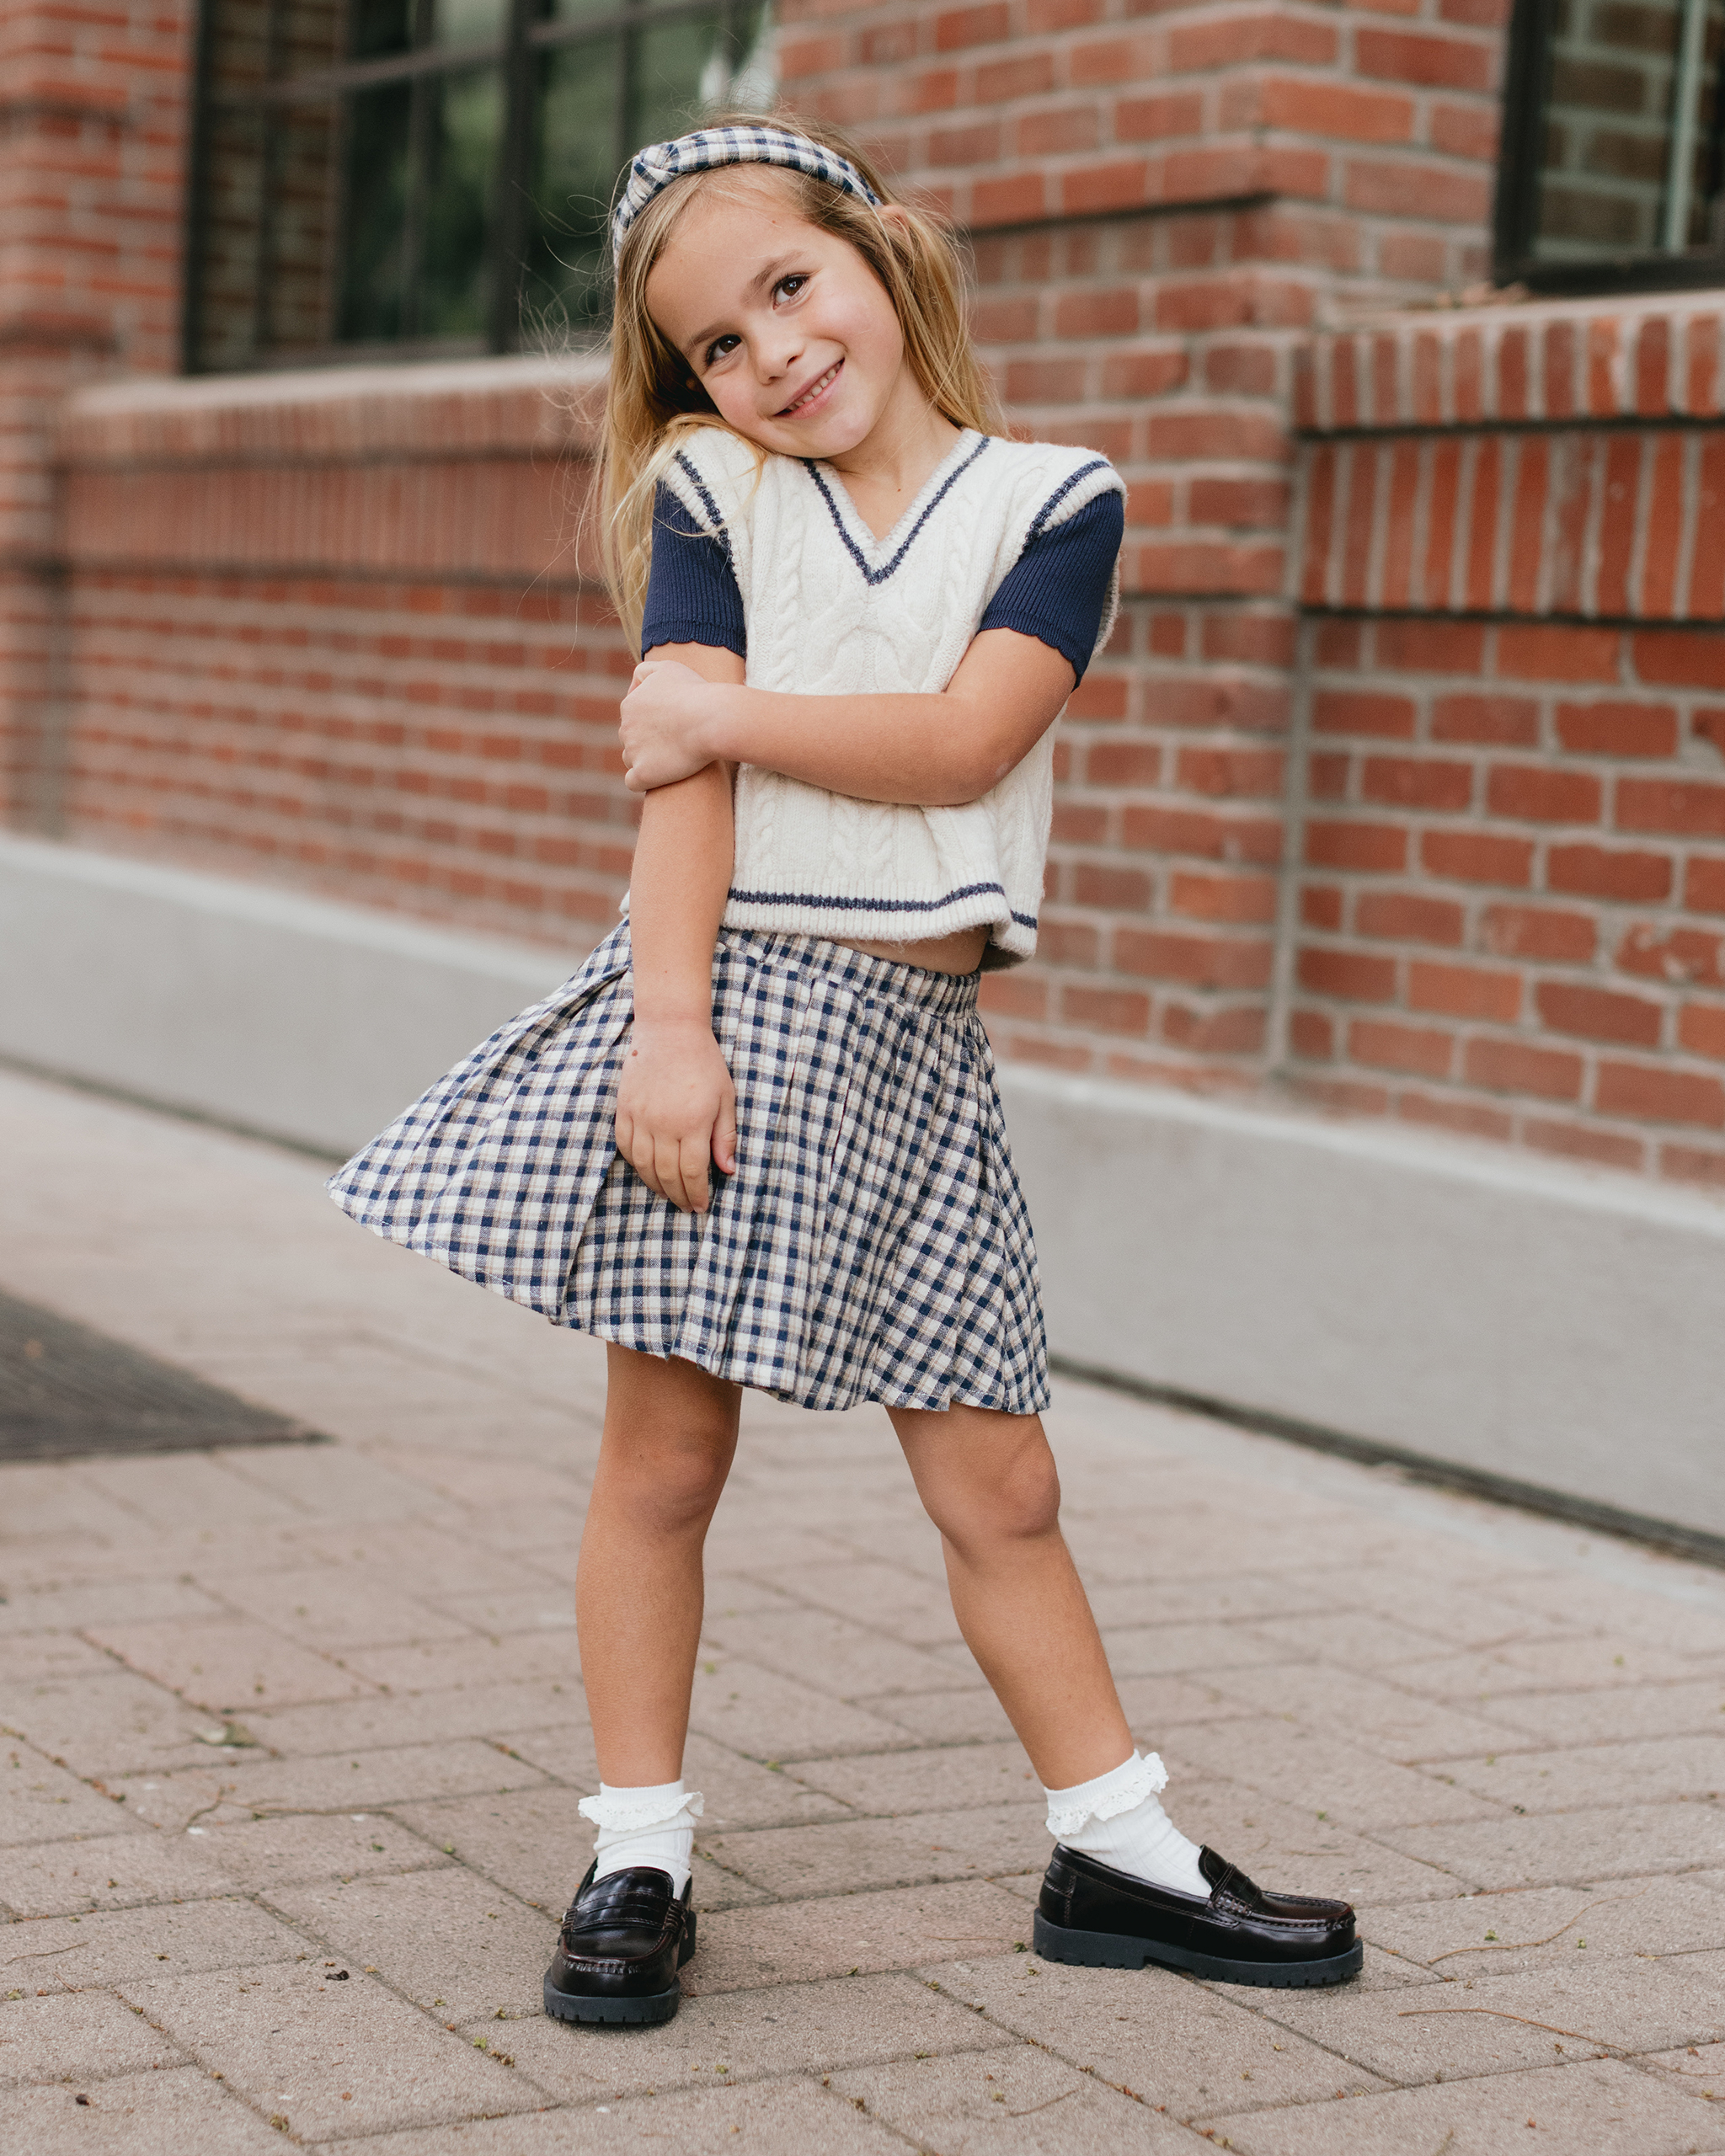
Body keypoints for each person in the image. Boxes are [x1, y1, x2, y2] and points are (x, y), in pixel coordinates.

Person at [328, 114, 1361, 2025]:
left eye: (789, 288)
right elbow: (682, 786)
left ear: (880, 257)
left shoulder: (1055, 497)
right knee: (665, 1456)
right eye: (716, 342)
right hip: (738, 1018)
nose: (769, 353)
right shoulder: (721, 488)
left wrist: (718, 700)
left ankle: (1114, 1850)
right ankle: (635, 1849)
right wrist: (663, 1026)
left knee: (1004, 1480)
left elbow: (969, 739)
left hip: (919, 1048)